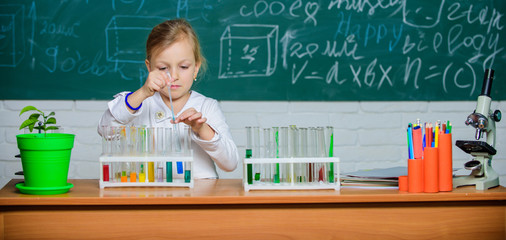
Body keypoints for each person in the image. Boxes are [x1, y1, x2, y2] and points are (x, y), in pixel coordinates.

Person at [98, 18, 239, 179]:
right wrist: (142, 93)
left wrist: (202, 129)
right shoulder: (141, 103)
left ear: (196, 68)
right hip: (152, 196)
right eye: (163, 68)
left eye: (184, 67)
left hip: (199, 197)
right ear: (149, 68)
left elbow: (230, 164)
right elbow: (104, 130)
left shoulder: (207, 107)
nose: (174, 76)